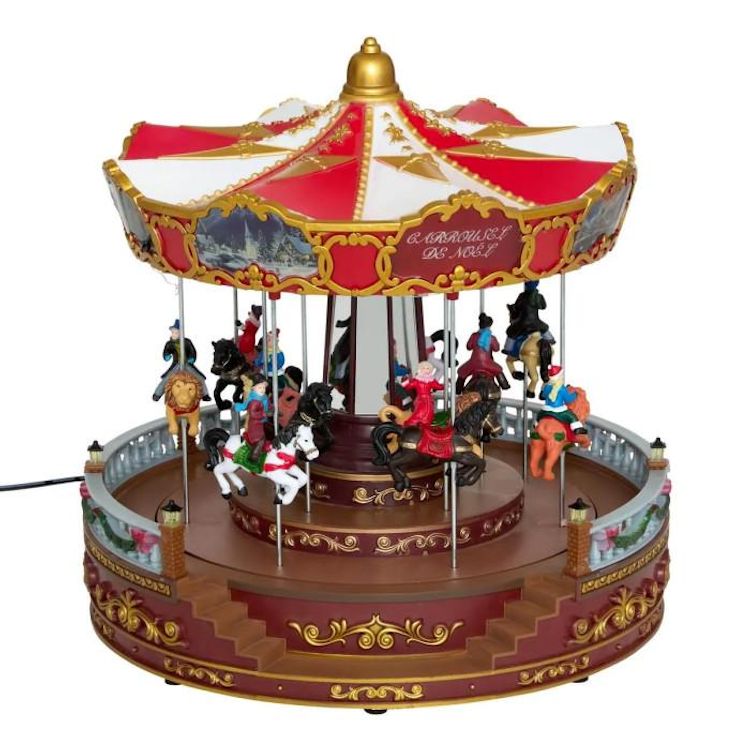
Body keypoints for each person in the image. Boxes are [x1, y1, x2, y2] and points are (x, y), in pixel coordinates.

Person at [152, 320, 208, 401]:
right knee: (167, 378)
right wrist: (166, 355)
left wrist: (191, 358)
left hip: (187, 364)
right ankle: (157, 393)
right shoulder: (170, 344)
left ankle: (205, 394)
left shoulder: (187, 342)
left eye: (176, 333)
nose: (173, 334)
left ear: (181, 333)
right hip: (176, 364)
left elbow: (192, 351)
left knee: (199, 378)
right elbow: (166, 352)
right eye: (172, 332)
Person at [457, 313, 510, 392]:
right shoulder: (491, 338)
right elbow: (496, 349)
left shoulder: (474, 336)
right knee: (499, 370)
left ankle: (458, 388)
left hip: (473, 363)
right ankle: (504, 385)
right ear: (489, 326)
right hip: (487, 363)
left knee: (462, 371)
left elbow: (468, 347)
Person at [538, 365, 588, 434]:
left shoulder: (547, 387)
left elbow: (543, 396)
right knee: (572, 416)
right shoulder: (562, 388)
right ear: (559, 377)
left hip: (545, 411)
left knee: (539, 417)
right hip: (558, 412)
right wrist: (575, 395)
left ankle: (536, 424)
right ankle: (577, 428)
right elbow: (568, 400)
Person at [234, 373, 271, 461]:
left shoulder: (264, 398)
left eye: (263, 387)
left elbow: (268, 406)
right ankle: (253, 456)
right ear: (253, 388)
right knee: (261, 439)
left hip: (262, 422)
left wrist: (272, 409)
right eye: (260, 387)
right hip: (255, 424)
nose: (262, 390)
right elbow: (253, 414)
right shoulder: (254, 402)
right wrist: (264, 414)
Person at [401, 361, 443, 427]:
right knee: (419, 412)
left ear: (430, 370)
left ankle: (424, 424)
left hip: (427, 399)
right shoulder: (417, 380)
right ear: (420, 369)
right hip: (421, 399)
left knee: (428, 412)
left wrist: (444, 385)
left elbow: (438, 386)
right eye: (424, 368)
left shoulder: (431, 380)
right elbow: (409, 386)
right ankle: (411, 424)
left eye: (427, 368)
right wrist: (407, 382)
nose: (426, 370)